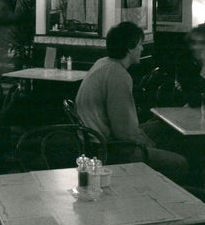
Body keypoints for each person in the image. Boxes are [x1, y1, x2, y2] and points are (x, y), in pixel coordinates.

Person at [76, 21, 188, 182]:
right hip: (109, 149)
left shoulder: (103, 63)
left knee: (159, 126)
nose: (142, 48)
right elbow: (124, 132)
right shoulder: (118, 75)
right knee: (179, 163)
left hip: (92, 140)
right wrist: (148, 144)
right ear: (130, 48)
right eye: (140, 44)